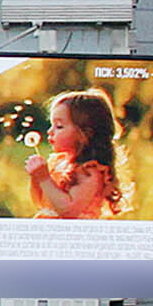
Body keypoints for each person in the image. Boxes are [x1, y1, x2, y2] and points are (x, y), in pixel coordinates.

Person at [25, 89, 122, 220]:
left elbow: (69, 211)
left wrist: (44, 178)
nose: (50, 132)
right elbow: (40, 203)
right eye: (51, 125)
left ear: (84, 134)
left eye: (59, 126)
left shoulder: (90, 172)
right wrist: (36, 178)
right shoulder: (59, 163)